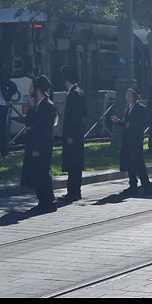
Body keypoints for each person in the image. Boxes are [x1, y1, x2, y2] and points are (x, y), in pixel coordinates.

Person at [25, 75, 58, 213]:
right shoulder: (37, 105)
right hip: (35, 143)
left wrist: (37, 148)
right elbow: (28, 122)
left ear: (37, 89)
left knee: (44, 172)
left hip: (42, 146)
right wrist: (31, 108)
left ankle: (48, 201)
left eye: (32, 87)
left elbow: (44, 130)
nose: (29, 90)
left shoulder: (48, 106)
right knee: (38, 173)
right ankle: (42, 200)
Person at [111, 87, 152, 195]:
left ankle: (146, 186)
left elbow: (144, 122)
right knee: (130, 163)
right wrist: (119, 122)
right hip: (128, 140)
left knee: (139, 163)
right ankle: (133, 185)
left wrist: (132, 124)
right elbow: (126, 125)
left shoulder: (140, 108)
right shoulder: (128, 108)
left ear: (134, 97)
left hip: (136, 139)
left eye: (128, 95)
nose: (126, 97)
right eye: (126, 95)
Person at [59, 65, 88, 202]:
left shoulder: (73, 94)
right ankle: (76, 191)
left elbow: (73, 117)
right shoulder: (80, 92)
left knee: (72, 164)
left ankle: (72, 192)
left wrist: (69, 135)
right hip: (79, 134)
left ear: (67, 80)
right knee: (76, 163)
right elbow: (84, 113)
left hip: (73, 135)